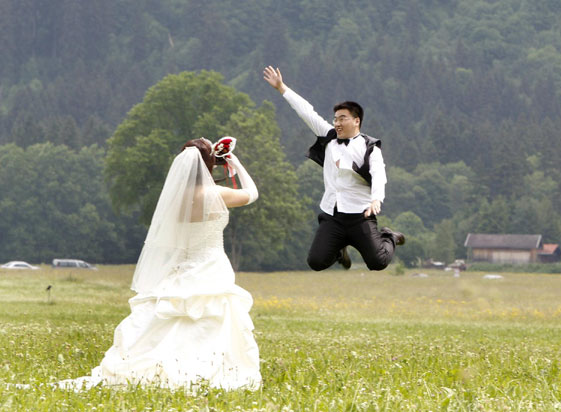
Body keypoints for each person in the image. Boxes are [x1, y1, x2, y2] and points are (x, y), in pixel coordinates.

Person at [58, 138, 262, 391]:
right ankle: (206, 369)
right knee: (211, 321)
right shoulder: (213, 194)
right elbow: (251, 194)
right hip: (210, 267)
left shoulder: (175, 199)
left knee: (169, 320)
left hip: (183, 269)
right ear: (209, 163)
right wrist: (236, 164)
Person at [263, 65, 404, 271]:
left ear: (356, 121)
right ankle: (339, 249)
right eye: (335, 119)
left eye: (342, 118)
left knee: (378, 262)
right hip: (333, 215)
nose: (337, 123)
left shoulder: (369, 147)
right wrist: (282, 88)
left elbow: (379, 174)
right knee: (316, 262)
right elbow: (306, 112)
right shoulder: (329, 136)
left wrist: (376, 199)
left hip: (360, 216)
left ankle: (390, 236)